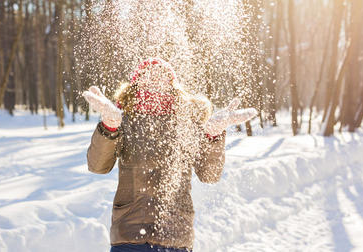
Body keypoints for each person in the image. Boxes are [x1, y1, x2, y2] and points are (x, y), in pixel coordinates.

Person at [83, 57, 257, 252]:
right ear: (136, 82)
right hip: (129, 237)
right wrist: (109, 126)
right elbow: (97, 166)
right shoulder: (124, 119)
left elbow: (209, 175)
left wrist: (212, 136)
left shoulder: (187, 122)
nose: (154, 80)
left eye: (162, 76)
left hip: (174, 237)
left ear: (172, 83)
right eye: (147, 76)